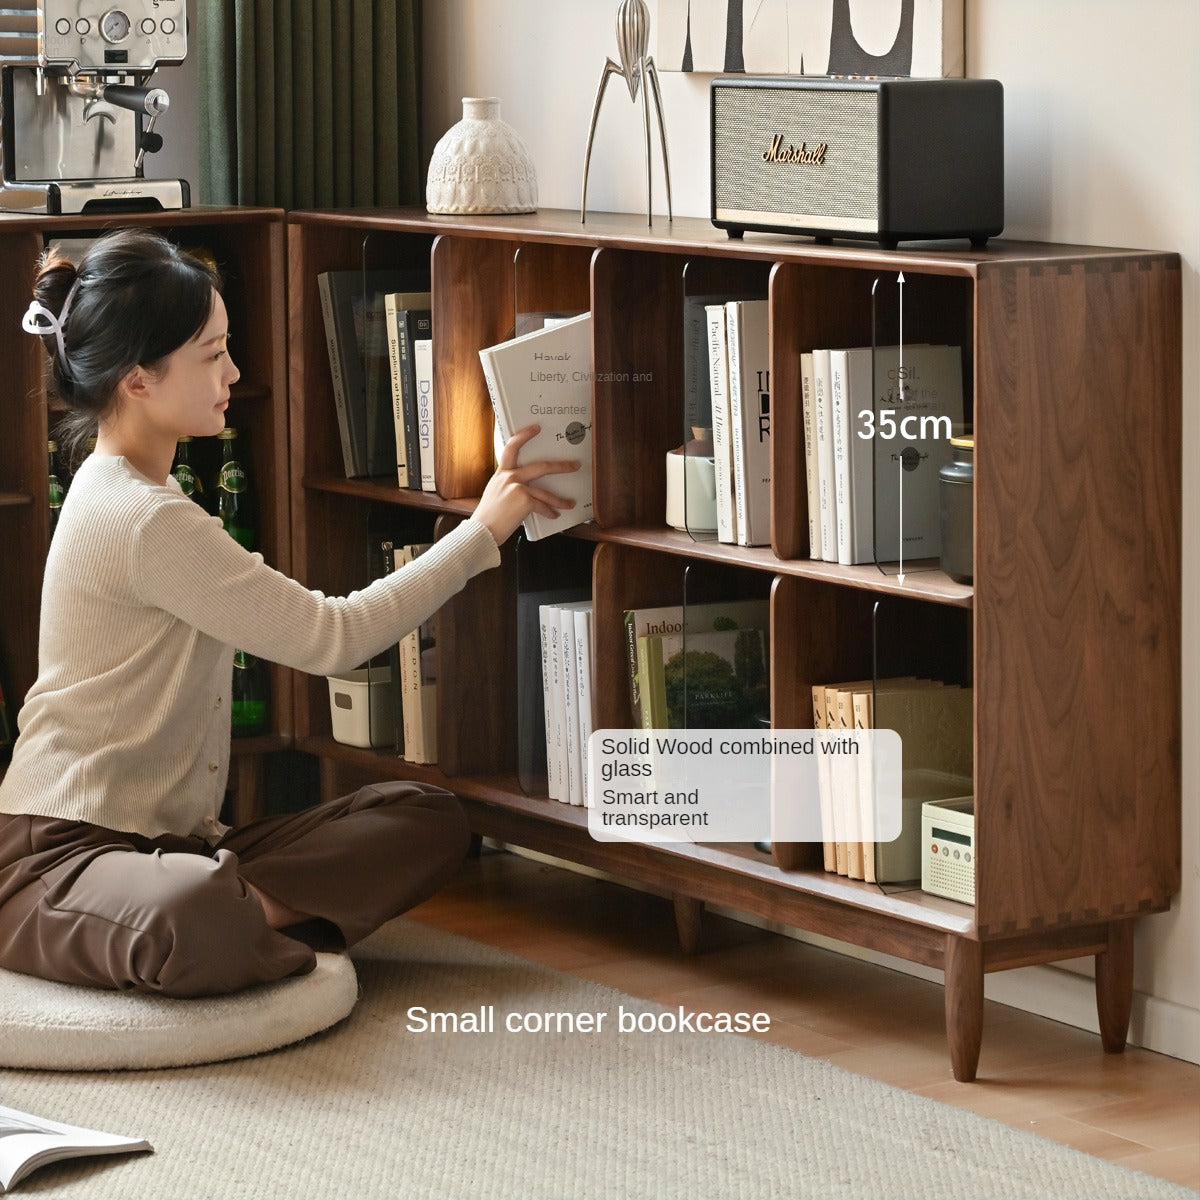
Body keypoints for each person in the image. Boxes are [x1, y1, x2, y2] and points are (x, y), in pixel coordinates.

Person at [0, 228, 580, 998]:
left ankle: (229, 916)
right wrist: (483, 531)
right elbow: (333, 637)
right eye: (212, 355)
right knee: (188, 908)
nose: (234, 372)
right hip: (58, 856)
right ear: (139, 379)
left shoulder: (139, 495)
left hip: (182, 848)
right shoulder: (141, 517)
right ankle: (218, 917)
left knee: (427, 817)